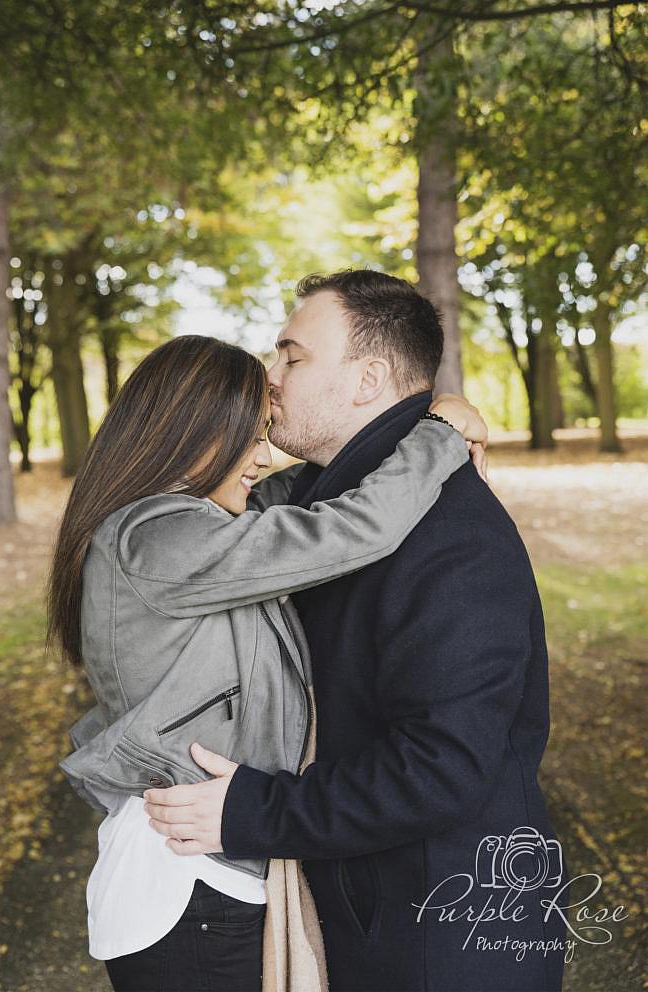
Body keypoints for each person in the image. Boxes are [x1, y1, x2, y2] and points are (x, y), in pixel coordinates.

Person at [144, 270, 569, 992]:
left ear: (369, 378)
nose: (269, 378)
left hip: (446, 939)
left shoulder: (448, 534)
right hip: (383, 910)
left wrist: (255, 811)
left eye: (292, 356)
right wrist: (443, 416)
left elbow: (441, 765)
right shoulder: (333, 506)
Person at [48, 330, 485, 992]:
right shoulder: (158, 537)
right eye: (250, 438)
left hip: (207, 869)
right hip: (189, 883)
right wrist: (439, 437)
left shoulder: (185, 524)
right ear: (193, 434)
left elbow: (289, 499)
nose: (263, 456)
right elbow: (345, 529)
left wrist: (393, 428)